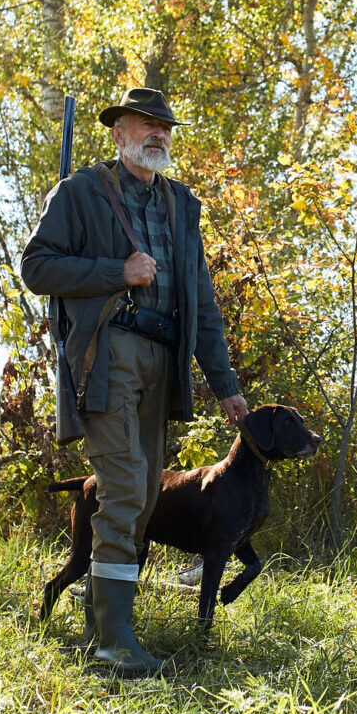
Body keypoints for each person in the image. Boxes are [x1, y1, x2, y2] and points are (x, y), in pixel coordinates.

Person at [21, 86, 248, 677]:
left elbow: (201, 300)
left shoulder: (182, 205)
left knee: (145, 498)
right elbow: (37, 266)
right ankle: (114, 642)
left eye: (164, 126)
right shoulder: (79, 193)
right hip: (107, 353)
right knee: (123, 491)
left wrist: (225, 383)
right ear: (118, 134)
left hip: (162, 362)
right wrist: (115, 271)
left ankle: (101, 624)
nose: (157, 134)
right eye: (144, 124)